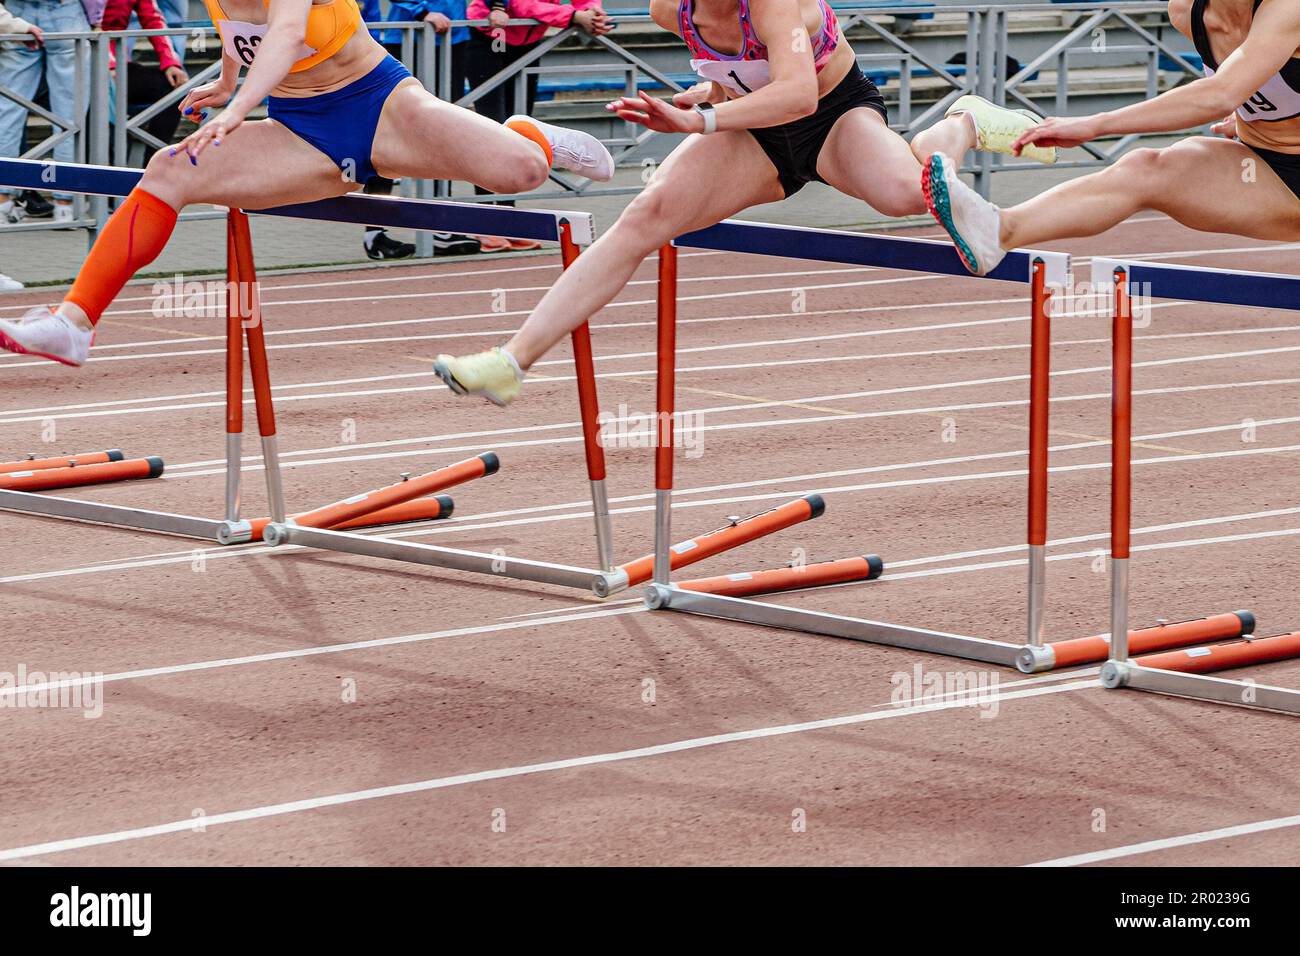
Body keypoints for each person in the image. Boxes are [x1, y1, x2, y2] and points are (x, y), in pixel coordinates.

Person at [432, 0, 1055, 405]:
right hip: (753, 131)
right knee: (643, 218)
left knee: (906, 193)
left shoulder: (772, 3)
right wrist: (688, 100)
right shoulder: (667, 10)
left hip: (832, 116)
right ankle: (513, 360)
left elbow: (799, 95)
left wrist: (701, 120)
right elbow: (728, 75)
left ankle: (966, 122)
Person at [0, 0, 615, 366]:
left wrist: (238, 108)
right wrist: (224, 80)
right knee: (169, 170)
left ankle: (527, 135)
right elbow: (246, 40)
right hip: (302, 131)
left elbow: (289, 32)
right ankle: (74, 323)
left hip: (381, 108)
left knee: (522, 172)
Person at [924, 0, 1300, 276]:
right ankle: (998, 231)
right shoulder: (1187, 11)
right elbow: (1241, 85)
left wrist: (1094, 125)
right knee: (1145, 168)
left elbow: (1220, 92)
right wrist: (1244, 114)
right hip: (1268, 169)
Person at [464, 0, 612, 252]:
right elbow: (521, 4)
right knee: (491, 130)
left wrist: (592, 10)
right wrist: (573, 15)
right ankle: (485, 222)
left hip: (527, 44)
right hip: (490, 37)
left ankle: (507, 221)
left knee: (518, 132)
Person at [361, 0, 481, 260]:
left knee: (445, 132)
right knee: (387, 134)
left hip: (453, 36)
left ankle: (441, 225)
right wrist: (422, 11)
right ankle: (374, 231)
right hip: (409, 36)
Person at [0, 0, 91, 225]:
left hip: (16, 12)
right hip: (67, 13)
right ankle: (65, 205)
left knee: (8, 113)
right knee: (70, 115)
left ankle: (2, 201)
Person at [104, 0, 190, 149]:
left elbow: (153, 18)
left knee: (172, 87)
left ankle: (154, 164)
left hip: (117, 66)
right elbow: (84, 25)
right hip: (80, 65)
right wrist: (107, 63)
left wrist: (170, 62)